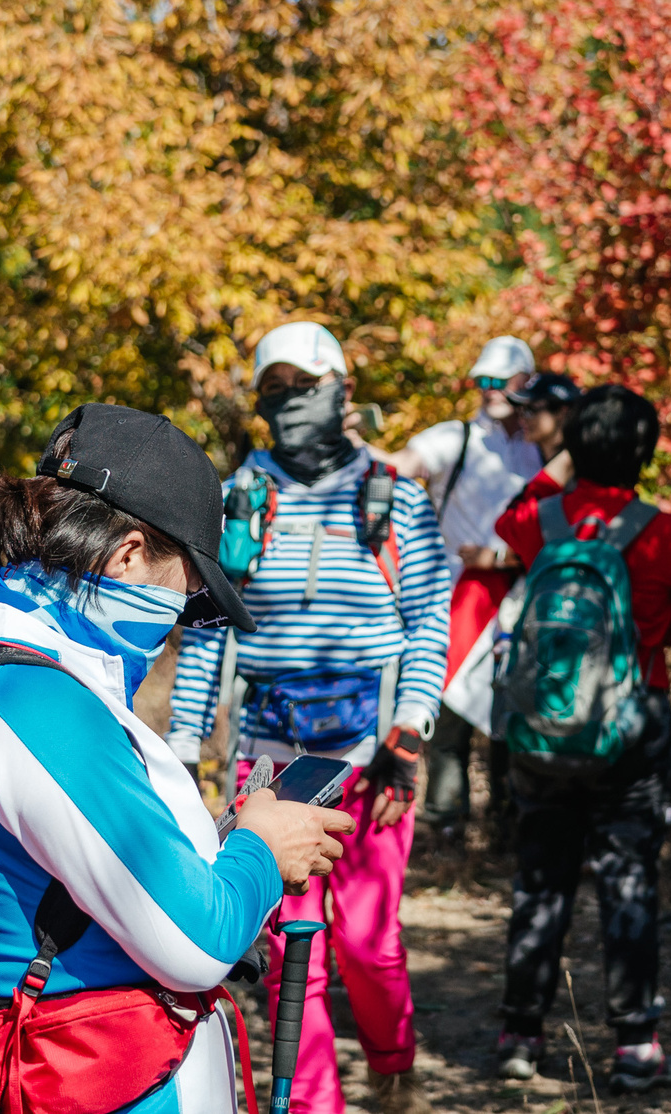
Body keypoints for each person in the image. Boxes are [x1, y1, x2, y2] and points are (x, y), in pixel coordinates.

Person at [0, 403, 356, 1114]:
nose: (181, 616)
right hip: (97, 1083)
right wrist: (261, 849)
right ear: (127, 555)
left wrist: (220, 843)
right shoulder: (41, 703)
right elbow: (196, 945)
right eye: (186, 587)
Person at [168, 323, 453, 1114]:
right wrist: (184, 745)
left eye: (306, 384)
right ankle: (310, 1103)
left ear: (342, 389)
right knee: (294, 951)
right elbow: (208, 630)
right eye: (275, 388)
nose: (290, 401)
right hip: (269, 764)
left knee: (369, 941)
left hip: (372, 755)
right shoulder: (237, 500)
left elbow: (429, 622)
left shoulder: (395, 496)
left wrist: (410, 734)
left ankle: (394, 1075)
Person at [489, 384, 671, 1093]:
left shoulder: (538, 520)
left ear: (576, 445)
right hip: (634, 725)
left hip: (543, 726)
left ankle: (521, 1035)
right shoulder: (668, 533)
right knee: (627, 876)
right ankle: (636, 1047)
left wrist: (560, 463)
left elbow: (508, 515)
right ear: (645, 452)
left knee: (541, 876)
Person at [391, 336, 546, 838]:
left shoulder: (545, 446)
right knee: (450, 716)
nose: (490, 389)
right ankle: (445, 824)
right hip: (457, 603)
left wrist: (500, 558)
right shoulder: (454, 437)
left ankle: (509, 826)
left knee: (513, 718)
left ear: (527, 381)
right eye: (482, 379)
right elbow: (396, 466)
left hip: (524, 603)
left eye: (501, 379)